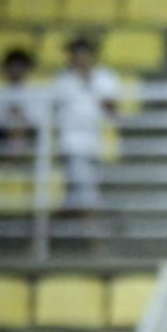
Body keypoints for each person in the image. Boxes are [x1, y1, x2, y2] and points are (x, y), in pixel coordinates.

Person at [53, 36, 118, 213]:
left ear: (92, 55)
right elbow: (57, 112)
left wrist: (91, 85)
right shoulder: (62, 81)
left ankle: (43, 237)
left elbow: (112, 110)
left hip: (94, 143)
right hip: (71, 144)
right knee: (87, 194)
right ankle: (95, 240)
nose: (80, 58)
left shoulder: (105, 78)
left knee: (73, 196)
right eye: (76, 54)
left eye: (84, 54)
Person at [0, 47, 41, 159]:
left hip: (28, 137)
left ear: (27, 69)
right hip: (0, 136)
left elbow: (40, 123)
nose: (16, 70)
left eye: (20, 66)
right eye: (12, 66)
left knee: (20, 132)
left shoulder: (37, 94)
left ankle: (17, 158)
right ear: (5, 68)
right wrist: (5, 115)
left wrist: (21, 116)